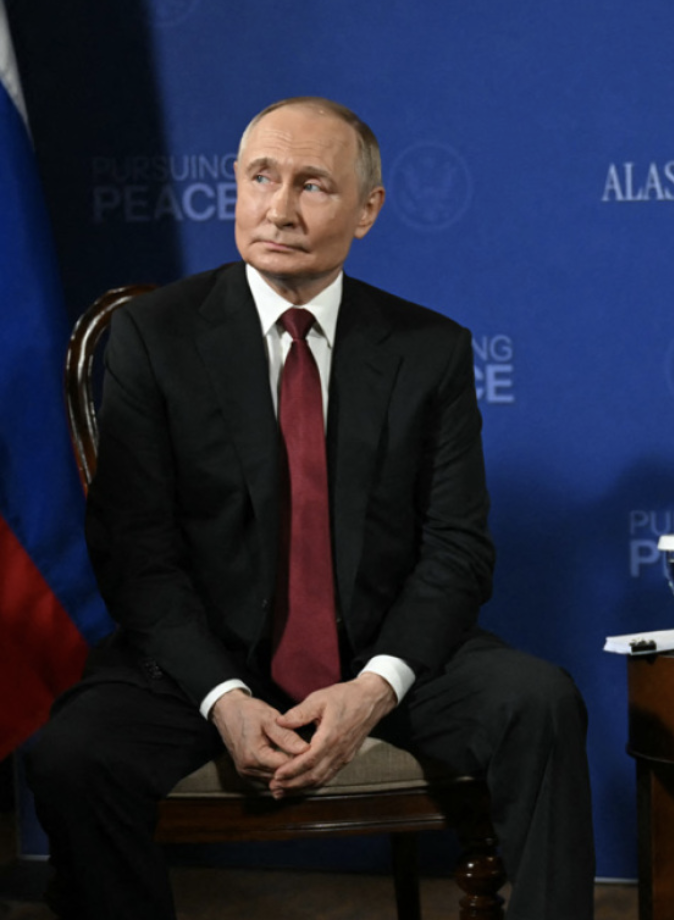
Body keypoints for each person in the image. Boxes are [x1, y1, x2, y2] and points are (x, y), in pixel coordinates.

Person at [27, 97, 595, 920]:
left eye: (313, 185)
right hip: (201, 662)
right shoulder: (156, 337)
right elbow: (135, 553)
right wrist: (224, 697)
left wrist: (374, 688)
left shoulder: (429, 350)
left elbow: (458, 550)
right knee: (73, 757)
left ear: (368, 210)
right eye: (262, 177)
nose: (280, 209)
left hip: (378, 653)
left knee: (538, 702)